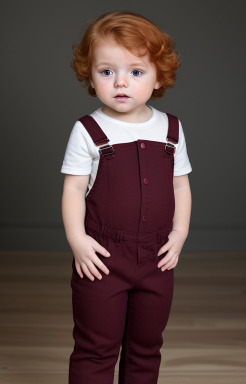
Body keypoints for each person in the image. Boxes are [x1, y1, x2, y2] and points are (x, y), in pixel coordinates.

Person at [61, 10, 192, 384]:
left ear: (157, 76)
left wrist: (179, 234)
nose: (121, 82)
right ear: (90, 74)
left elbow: (180, 185)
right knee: (95, 346)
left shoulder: (171, 128)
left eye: (135, 72)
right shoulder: (88, 130)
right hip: (101, 257)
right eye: (107, 72)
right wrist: (78, 240)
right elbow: (73, 188)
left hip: (157, 256)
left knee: (146, 345)